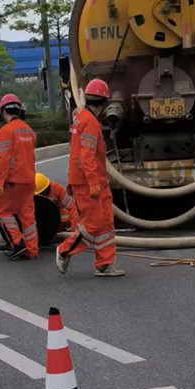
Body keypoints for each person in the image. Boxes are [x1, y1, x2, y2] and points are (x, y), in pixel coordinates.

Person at [56, 79, 124, 277]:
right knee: (93, 225)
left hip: (90, 181)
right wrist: (93, 184)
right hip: (89, 183)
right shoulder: (90, 122)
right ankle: (65, 250)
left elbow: (77, 153)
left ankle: (104, 264)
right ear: (103, 102)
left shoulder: (82, 119)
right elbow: (86, 156)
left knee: (105, 224)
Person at [0, 93, 38, 259]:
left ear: (4, 112)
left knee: (3, 212)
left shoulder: (4, 132)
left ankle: (18, 243)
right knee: (28, 217)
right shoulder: (29, 131)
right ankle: (32, 249)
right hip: (29, 181)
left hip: (12, 182)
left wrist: (1, 183)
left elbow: (4, 160)